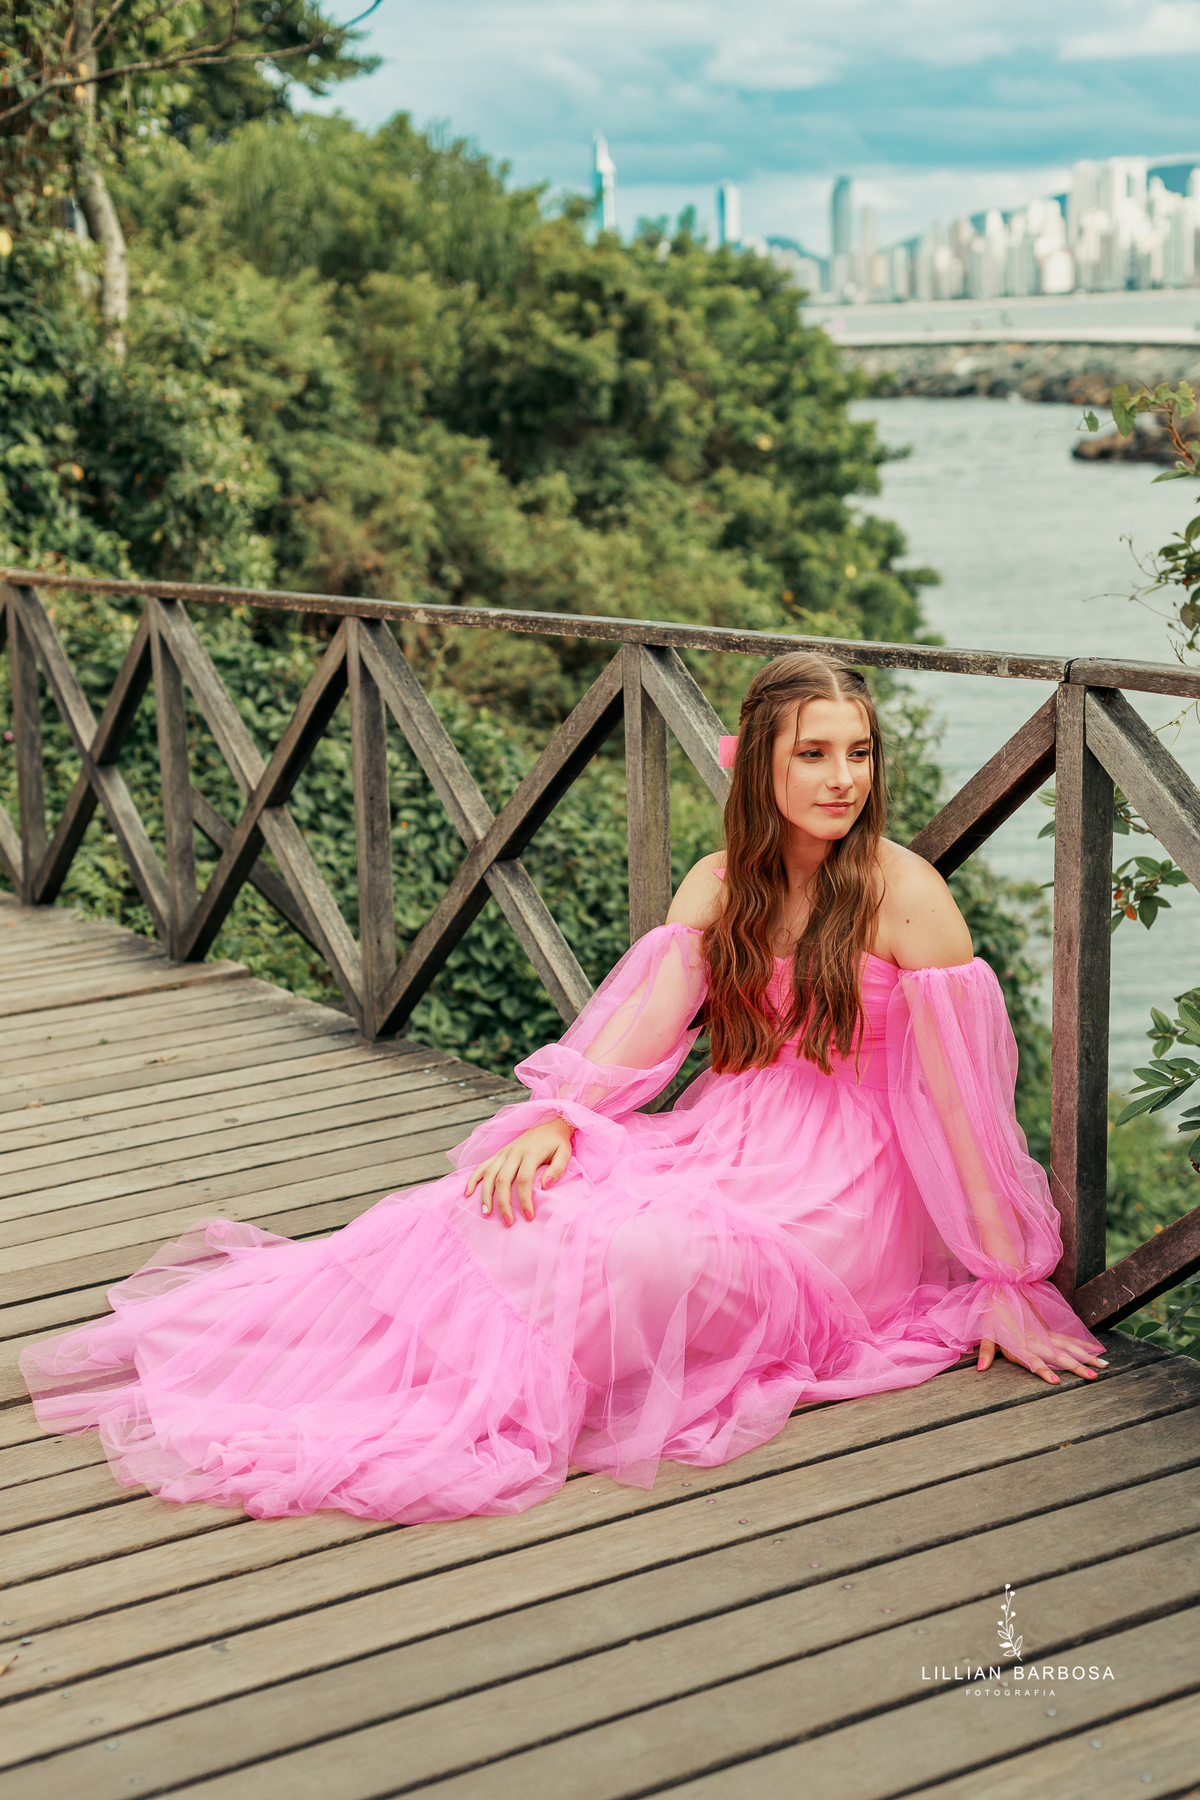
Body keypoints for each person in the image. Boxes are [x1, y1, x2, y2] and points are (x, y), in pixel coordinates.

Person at [20, 652, 1105, 1525]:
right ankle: (415, 1381)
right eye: (812, 753)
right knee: (513, 1198)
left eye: (858, 753)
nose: (841, 779)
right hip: (730, 1131)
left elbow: (967, 1107)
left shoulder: (905, 897)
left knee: (647, 1253)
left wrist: (1009, 1271)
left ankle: (493, 1393)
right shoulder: (722, 883)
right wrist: (560, 1116)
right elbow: (635, 1032)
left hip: (858, 1181)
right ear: (758, 767)